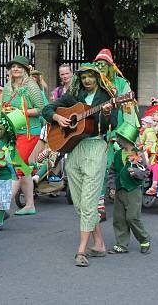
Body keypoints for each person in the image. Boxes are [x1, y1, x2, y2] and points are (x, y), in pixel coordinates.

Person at [42, 63, 114, 267]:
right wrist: (57, 117)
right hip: (74, 150)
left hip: (96, 147)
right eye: (84, 77)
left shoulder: (105, 97)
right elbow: (47, 109)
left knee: (90, 199)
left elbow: (113, 124)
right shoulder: (74, 97)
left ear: (97, 78)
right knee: (79, 202)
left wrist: (107, 113)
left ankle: (81, 250)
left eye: (91, 76)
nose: (87, 80)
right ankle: (99, 243)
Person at [92, 48, 139, 220]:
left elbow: (129, 110)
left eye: (103, 64)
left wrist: (125, 134)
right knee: (101, 166)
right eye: (97, 64)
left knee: (122, 165)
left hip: (117, 130)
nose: (100, 67)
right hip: (96, 131)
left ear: (111, 66)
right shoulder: (93, 84)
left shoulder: (121, 84)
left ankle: (128, 201)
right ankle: (100, 202)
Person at [0, 55, 46, 216]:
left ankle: (3, 206)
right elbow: (2, 105)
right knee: (23, 167)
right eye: (13, 66)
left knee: (15, 166)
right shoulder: (8, 86)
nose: (16, 69)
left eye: (19, 67)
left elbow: (41, 109)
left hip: (29, 131)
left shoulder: (32, 86)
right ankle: (29, 205)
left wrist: (21, 112)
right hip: (12, 130)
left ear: (25, 70)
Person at [107, 123, 151, 255]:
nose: (117, 140)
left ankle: (144, 239)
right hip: (120, 189)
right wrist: (112, 187)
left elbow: (145, 172)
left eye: (120, 138)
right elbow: (112, 172)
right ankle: (121, 244)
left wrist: (135, 173)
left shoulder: (139, 155)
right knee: (119, 218)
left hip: (133, 189)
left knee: (132, 217)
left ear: (127, 139)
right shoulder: (117, 154)